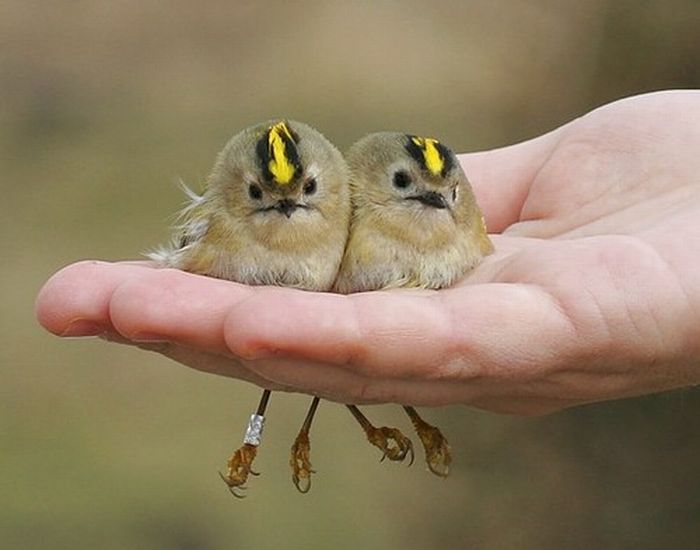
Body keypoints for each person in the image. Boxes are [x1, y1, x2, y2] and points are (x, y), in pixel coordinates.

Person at [35, 90, 700, 416]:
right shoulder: (300, 220)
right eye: (266, 195)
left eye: (306, 193)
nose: (289, 208)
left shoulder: (415, 220)